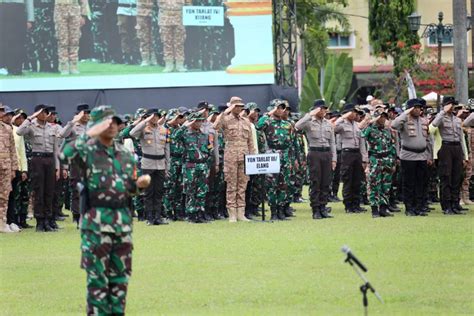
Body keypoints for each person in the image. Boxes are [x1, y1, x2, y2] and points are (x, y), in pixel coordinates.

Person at [61, 105, 150, 315]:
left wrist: (139, 186)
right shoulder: (87, 151)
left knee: (120, 280)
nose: (113, 126)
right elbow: (64, 156)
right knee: (97, 281)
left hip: (122, 225)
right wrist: (88, 134)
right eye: (106, 122)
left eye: (116, 122)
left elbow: (127, 189)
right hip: (96, 225)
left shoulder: (125, 155)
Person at [16, 104, 59, 232]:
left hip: (50, 159)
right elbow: (19, 132)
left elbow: (56, 149)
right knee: (39, 190)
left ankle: (48, 220)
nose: (45, 114)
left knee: (49, 191)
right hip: (37, 160)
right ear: (36, 113)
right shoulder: (31, 125)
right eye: (42, 112)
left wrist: (57, 167)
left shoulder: (52, 128)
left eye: (47, 112)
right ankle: (39, 221)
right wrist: (29, 118)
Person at [213, 96, 256, 222]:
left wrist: (252, 157)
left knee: (242, 185)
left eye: (240, 106)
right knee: (231, 185)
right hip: (231, 157)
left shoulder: (246, 121)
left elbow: (250, 142)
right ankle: (232, 213)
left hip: (244, 156)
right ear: (231, 106)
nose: (239, 108)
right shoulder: (225, 119)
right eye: (236, 106)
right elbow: (215, 127)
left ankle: (241, 213)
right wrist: (224, 112)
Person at [391, 99, 432, 216]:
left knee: (420, 183)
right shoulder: (404, 120)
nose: (418, 110)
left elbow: (428, 140)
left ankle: (418, 207)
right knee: (409, 183)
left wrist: (429, 155)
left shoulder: (424, 121)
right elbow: (394, 125)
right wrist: (405, 113)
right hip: (408, 156)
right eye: (415, 108)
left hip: (422, 155)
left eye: (419, 108)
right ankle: (409, 208)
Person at [295, 99, 335, 220]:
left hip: (327, 153)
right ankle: (315, 209)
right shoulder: (309, 121)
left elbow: (332, 142)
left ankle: (323, 207)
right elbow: (297, 126)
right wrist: (310, 114)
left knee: (326, 182)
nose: (323, 111)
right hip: (315, 153)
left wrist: (334, 159)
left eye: (324, 109)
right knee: (315, 181)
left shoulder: (328, 124)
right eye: (321, 109)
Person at [130, 108, 170, 225]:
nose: (155, 118)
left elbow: (167, 149)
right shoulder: (143, 129)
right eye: (152, 116)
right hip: (148, 163)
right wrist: (144, 121)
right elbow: (132, 133)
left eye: (157, 116)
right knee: (148, 192)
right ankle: (149, 218)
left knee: (158, 192)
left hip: (161, 164)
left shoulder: (164, 130)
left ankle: (158, 217)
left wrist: (167, 166)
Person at [256, 99, 294, 221]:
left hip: (285, 156)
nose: (280, 110)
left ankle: (281, 211)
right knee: (272, 185)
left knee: (283, 185)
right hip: (272, 155)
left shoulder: (287, 124)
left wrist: (292, 160)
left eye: (282, 108)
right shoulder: (268, 122)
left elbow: (291, 143)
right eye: (277, 107)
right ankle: (273, 212)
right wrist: (269, 113)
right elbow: (258, 126)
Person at [431, 96, 468, 215]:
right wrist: (443, 112)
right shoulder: (440, 117)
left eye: (453, 105)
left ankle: (455, 203)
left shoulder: (457, 120)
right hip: (445, 147)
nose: (452, 107)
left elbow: (461, 139)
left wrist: (464, 156)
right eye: (450, 104)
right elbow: (432, 128)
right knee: (446, 176)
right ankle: (446, 205)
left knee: (457, 176)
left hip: (457, 148)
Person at [177, 111, 213, 223]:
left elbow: (209, 150)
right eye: (196, 120)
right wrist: (185, 125)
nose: (198, 123)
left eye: (200, 121)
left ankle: (200, 213)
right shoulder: (185, 135)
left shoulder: (205, 136)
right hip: (190, 166)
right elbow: (175, 136)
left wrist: (208, 165)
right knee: (190, 190)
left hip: (202, 165)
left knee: (202, 191)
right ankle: (191, 214)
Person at [361, 110, 396, 218]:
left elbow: (391, 146)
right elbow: (362, 134)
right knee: (374, 185)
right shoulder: (370, 129)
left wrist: (393, 161)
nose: (383, 119)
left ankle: (383, 208)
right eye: (381, 117)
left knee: (386, 185)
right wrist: (371, 121)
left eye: (384, 117)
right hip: (375, 159)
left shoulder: (387, 131)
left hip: (387, 160)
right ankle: (374, 209)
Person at [334, 103, 368, 214]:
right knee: (348, 180)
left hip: (357, 154)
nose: (355, 114)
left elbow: (362, 142)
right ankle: (348, 205)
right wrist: (343, 117)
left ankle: (356, 204)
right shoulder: (342, 124)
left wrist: (364, 158)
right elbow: (333, 127)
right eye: (353, 112)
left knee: (357, 180)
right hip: (347, 153)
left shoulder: (357, 125)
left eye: (355, 112)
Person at [60, 103, 90, 226]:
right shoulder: (73, 126)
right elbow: (62, 134)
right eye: (85, 113)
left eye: (88, 113)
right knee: (77, 190)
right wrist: (72, 122)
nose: (87, 115)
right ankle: (77, 216)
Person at [9, 109, 31, 229]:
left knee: (23, 195)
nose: (21, 120)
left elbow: (22, 152)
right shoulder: (7, 130)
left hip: (19, 168)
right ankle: (13, 220)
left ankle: (22, 220)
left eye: (23, 118)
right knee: (13, 196)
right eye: (19, 118)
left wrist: (24, 170)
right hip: (8, 167)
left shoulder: (19, 133)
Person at [162, 109, 186, 220]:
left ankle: (177, 211)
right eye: (176, 118)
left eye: (179, 118)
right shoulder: (164, 129)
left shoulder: (180, 129)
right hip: (170, 160)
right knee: (169, 188)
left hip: (180, 160)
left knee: (179, 187)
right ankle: (168, 212)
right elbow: (175, 137)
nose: (178, 120)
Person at [54, 0, 89, 74]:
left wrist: (83, 15)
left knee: (74, 39)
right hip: (60, 9)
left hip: (74, 9)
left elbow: (84, 1)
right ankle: (63, 65)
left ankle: (73, 65)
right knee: (62, 39)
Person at [0, 0, 34, 75]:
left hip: (19, 9)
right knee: (6, 40)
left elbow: (29, 1)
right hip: (4, 7)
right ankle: (7, 67)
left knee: (19, 40)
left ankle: (17, 68)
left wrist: (30, 19)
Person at [0, 106, 19, 233]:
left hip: (6, 167)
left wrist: (14, 169)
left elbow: (12, 150)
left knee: (4, 196)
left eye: (9, 114)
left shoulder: (8, 128)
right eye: (5, 113)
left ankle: (2, 223)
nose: (7, 116)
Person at [158, 0, 192, 72]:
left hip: (180, 17)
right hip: (164, 17)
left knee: (179, 42)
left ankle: (179, 64)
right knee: (166, 42)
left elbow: (189, 5)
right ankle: (169, 64)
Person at [117, 0, 139, 64]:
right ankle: (126, 56)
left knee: (136, 35)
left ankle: (136, 56)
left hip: (135, 10)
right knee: (124, 35)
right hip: (123, 10)